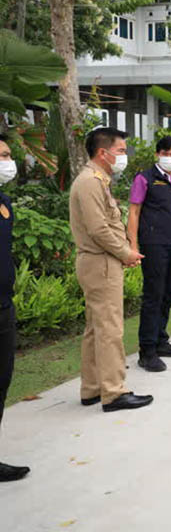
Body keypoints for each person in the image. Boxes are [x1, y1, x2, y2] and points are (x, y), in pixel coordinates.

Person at [69, 128, 152, 412]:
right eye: (121, 151)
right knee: (109, 329)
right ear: (103, 153)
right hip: (100, 262)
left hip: (100, 261)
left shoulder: (96, 180)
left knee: (96, 328)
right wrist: (125, 252)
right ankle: (114, 392)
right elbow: (99, 229)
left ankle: (93, 388)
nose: (124, 156)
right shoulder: (90, 182)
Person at [127, 136, 171, 372]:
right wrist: (133, 245)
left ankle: (161, 340)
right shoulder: (144, 179)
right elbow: (134, 212)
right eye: (165, 153)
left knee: (168, 293)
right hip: (153, 244)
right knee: (153, 295)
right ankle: (147, 351)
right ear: (157, 154)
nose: (169, 158)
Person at [0, 135, 29, 480]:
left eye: (8, 155)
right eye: (2, 156)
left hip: (4, 306)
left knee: (2, 381)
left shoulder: (5, 201)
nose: (8, 162)